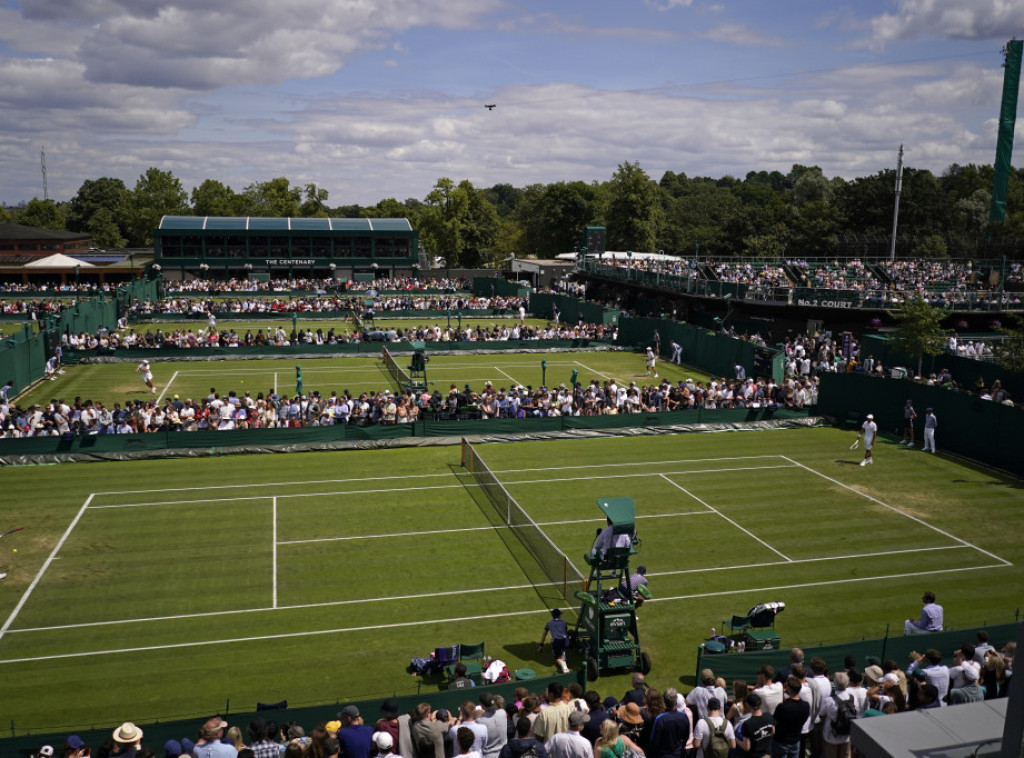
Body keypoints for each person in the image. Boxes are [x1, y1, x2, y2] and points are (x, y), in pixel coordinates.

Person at [737, 693, 773, 758]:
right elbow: (773, 731)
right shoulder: (769, 716)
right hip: (768, 754)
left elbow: (746, 747)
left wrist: (735, 739)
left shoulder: (748, 724)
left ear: (748, 705)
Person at [539, 608, 571, 673]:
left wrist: (541, 646)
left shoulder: (548, 623)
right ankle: (563, 654)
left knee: (558, 658)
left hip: (557, 642)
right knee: (563, 648)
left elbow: (544, 635)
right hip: (566, 641)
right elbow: (565, 632)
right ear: (559, 615)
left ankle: (565, 668)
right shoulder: (564, 623)